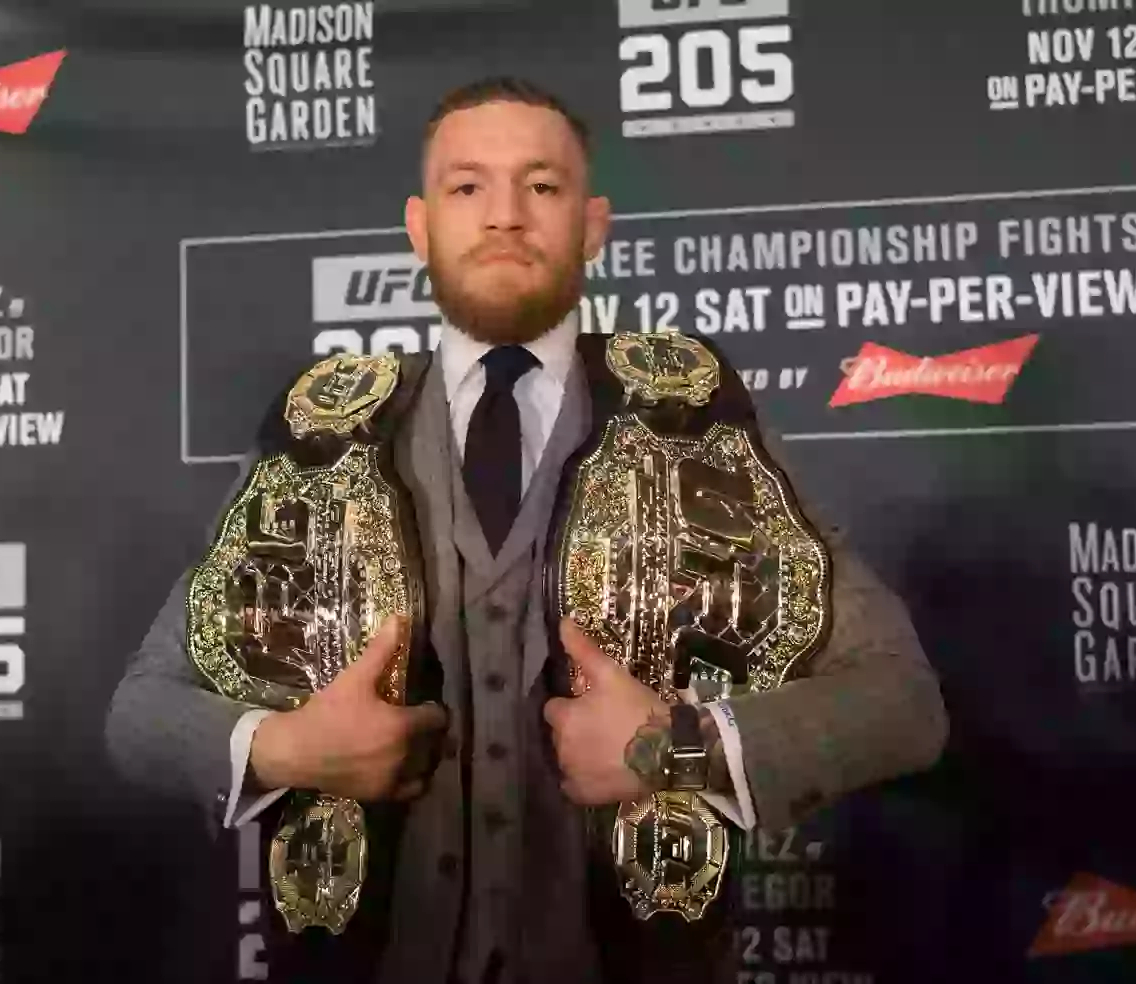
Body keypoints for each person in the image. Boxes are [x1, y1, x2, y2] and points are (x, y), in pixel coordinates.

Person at [105, 76, 949, 984]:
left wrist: (681, 748)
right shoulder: (322, 431)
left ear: (592, 225)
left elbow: (903, 703)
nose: (505, 214)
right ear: (420, 227)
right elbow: (142, 711)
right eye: (467, 185)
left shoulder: (698, 422)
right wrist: (286, 749)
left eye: (541, 185)